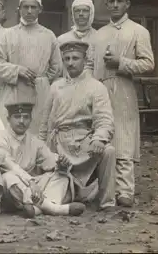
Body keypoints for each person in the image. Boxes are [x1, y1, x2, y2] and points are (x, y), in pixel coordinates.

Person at [90, 0, 154, 207]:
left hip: (124, 88)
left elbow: (148, 63)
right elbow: (90, 63)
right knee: (102, 135)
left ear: (127, 4)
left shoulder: (138, 31)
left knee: (124, 138)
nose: (115, 5)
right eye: (111, 2)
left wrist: (121, 62)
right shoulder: (99, 34)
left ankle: (125, 190)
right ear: (106, 5)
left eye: (119, 1)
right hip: (100, 90)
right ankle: (104, 188)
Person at [39, 40, 117, 212]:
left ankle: (107, 202)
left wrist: (99, 139)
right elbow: (45, 121)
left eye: (75, 58)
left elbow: (104, 118)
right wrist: (42, 147)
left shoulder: (96, 87)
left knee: (108, 151)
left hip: (85, 142)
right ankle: (61, 199)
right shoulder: (56, 87)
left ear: (84, 59)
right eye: (66, 59)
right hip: (59, 143)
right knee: (53, 179)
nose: (70, 63)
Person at [0, 0, 62, 134]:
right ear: (19, 9)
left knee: (38, 130)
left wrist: (42, 81)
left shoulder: (48, 35)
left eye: (33, 7)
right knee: (11, 130)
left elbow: (56, 66)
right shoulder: (8, 34)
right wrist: (17, 70)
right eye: (25, 7)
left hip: (39, 92)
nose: (29, 11)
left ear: (40, 9)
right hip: (14, 89)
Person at [0, 102, 86, 218]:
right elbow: (9, 165)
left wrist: (61, 164)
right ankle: (54, 209)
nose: (21, 121)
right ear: (8, 119)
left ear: (30, 119)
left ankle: (35, 210)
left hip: (33, 189)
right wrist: (31, 182)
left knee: (61, 176)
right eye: (17, 117)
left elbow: (50, 159)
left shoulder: (34, 141)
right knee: (8, 177)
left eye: (26, 117)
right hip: (13, 192)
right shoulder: (0, 138)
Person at [56, 0, 97, 77]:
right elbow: (58, 70)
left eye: (85, 11)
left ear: (91, 13)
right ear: (72, 14)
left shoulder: (99, 37)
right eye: (77, 11)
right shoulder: (61, 40)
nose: (81, 14)